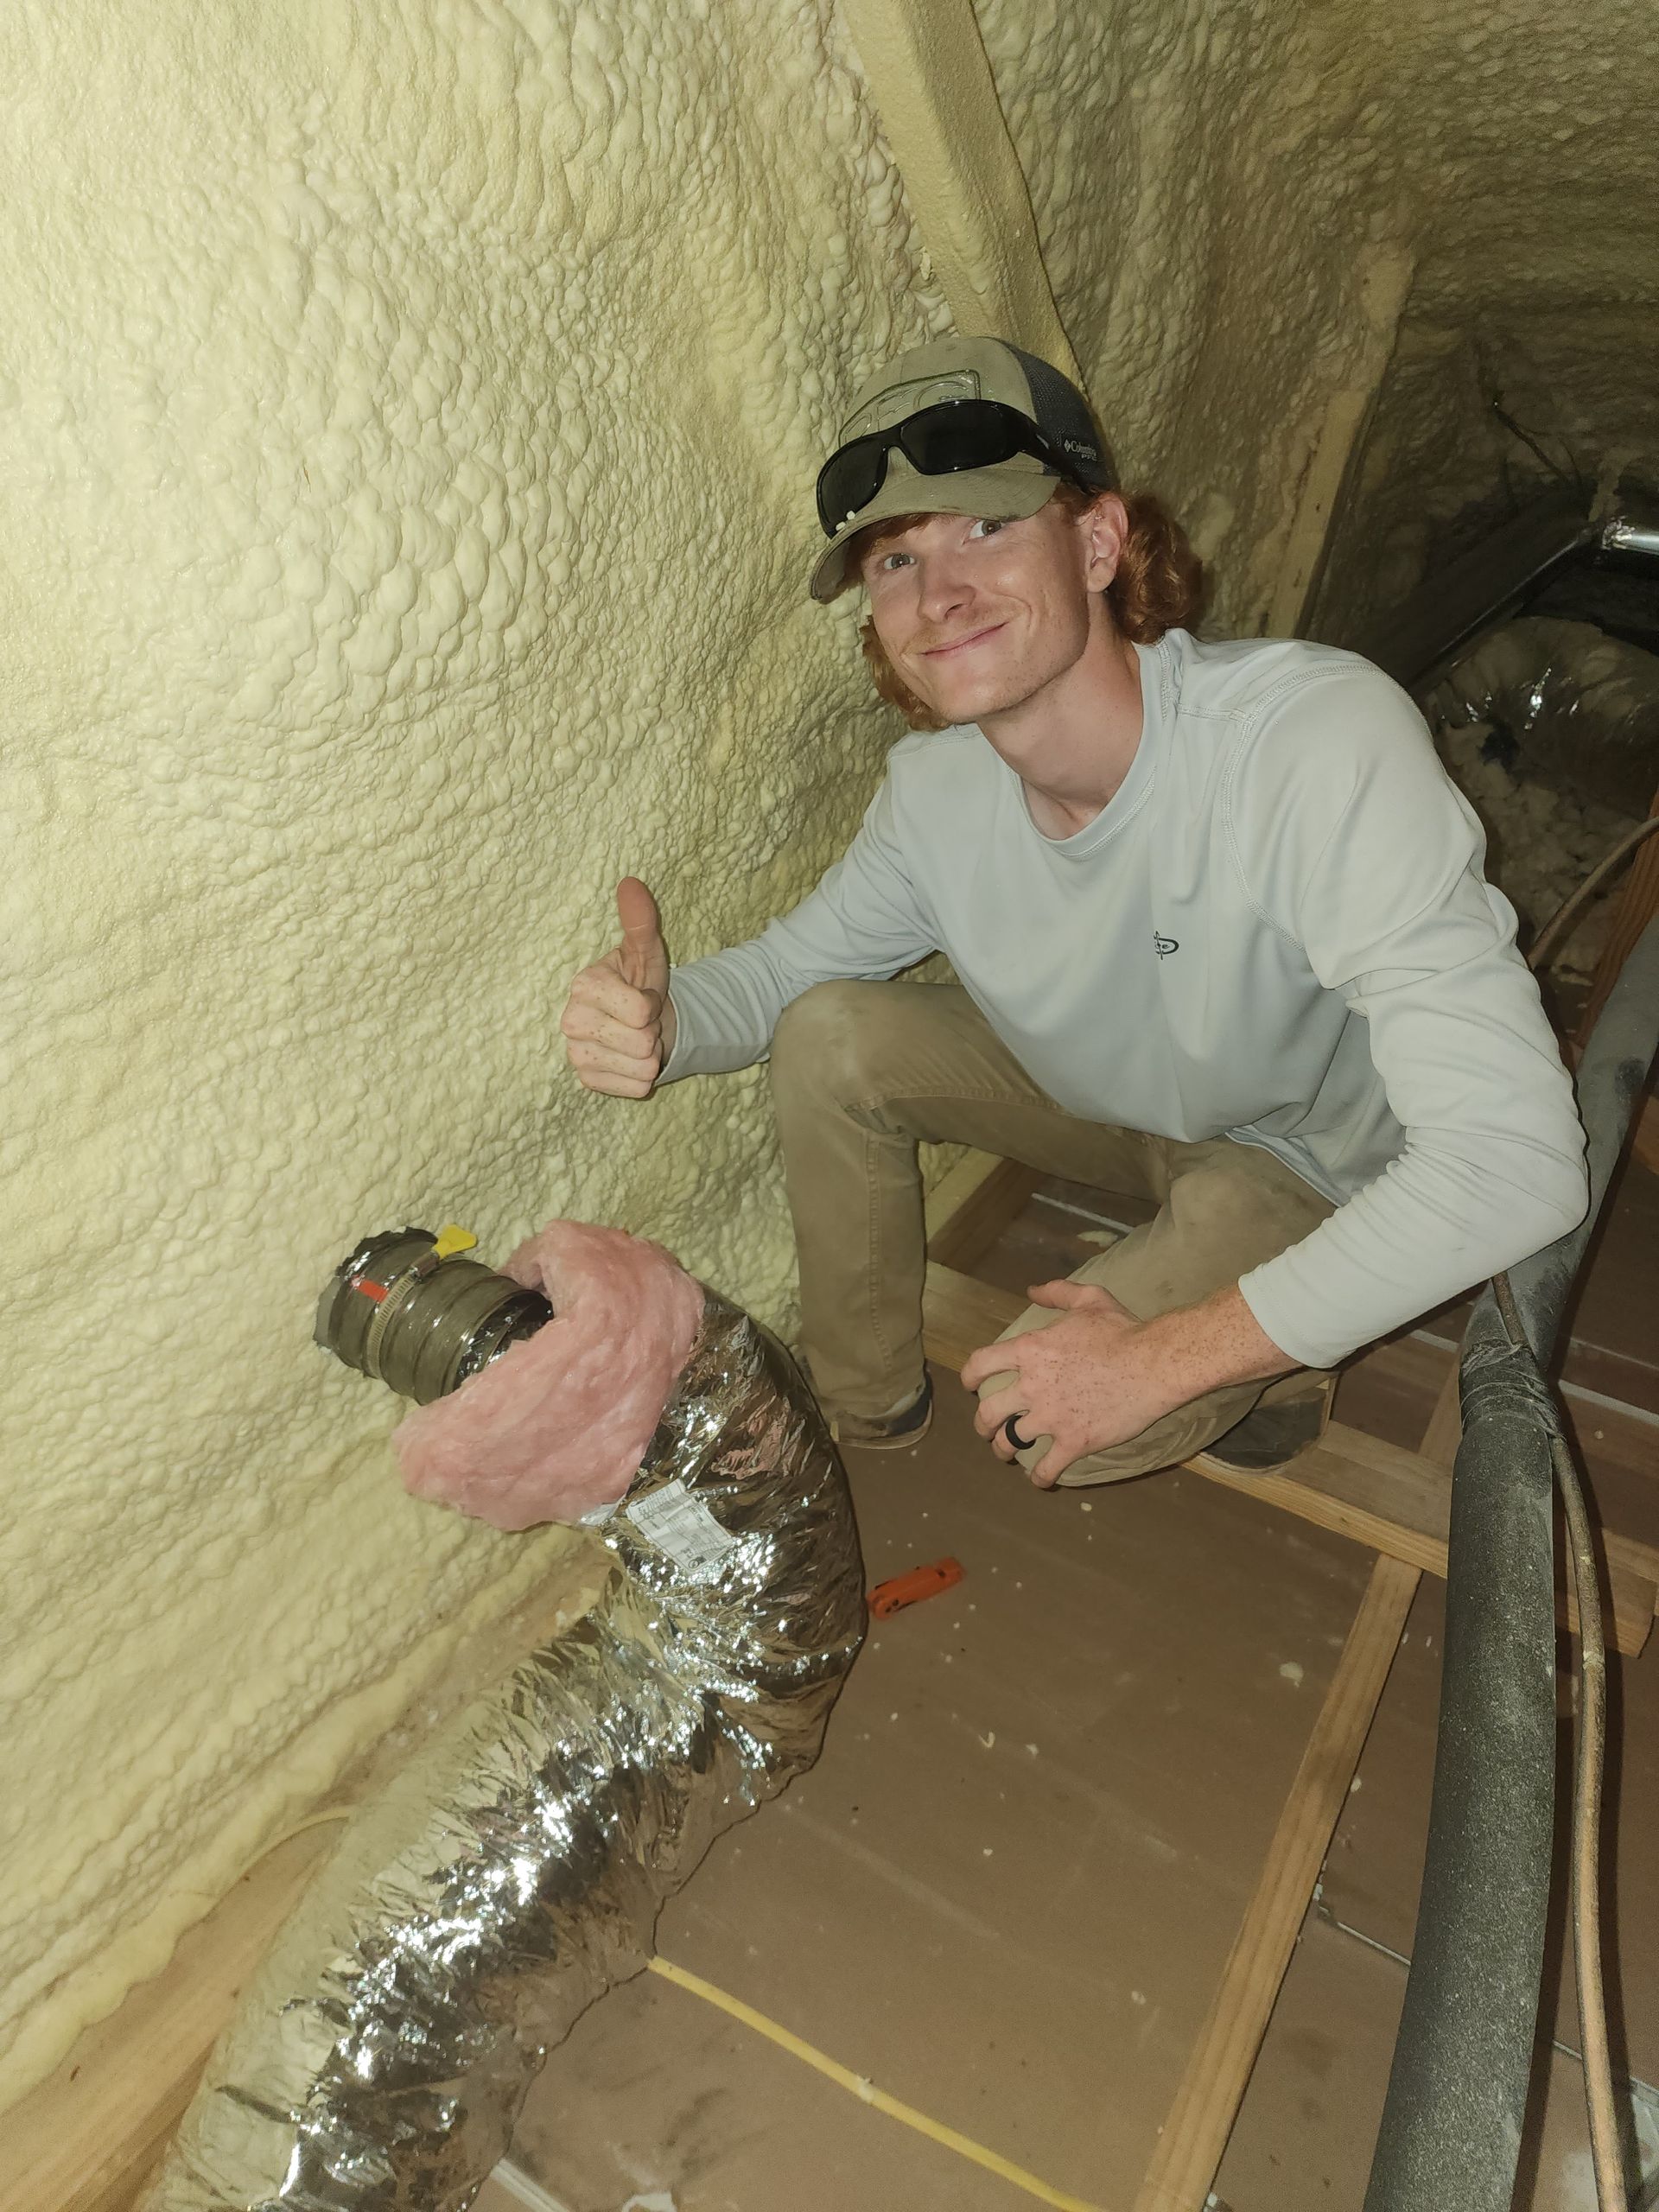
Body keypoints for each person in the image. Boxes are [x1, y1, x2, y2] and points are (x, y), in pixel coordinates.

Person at [560, 334, 1588, 1488]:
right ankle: (851, 1423)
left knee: (1035, 1411)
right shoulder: (935, 797)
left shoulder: (1308, 745)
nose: (938, 594)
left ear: (1098, 542)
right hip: (1121, 1101)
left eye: (986, 527)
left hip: (1303, 1155)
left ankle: (1286, 1361)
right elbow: (790, 976)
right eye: (894, 561)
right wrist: (667, 1023)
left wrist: (1158, 1363)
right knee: (833, 1035)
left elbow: (1517, 1164)